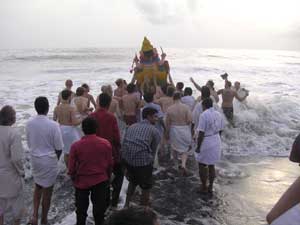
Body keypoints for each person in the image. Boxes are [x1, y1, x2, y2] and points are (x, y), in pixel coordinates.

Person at [26, 97, 64, 225]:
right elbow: (59, 147)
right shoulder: (53, 125)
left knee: (37, 187)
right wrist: (55, 160)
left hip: (35, 159)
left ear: (36, 108)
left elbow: (29, 141)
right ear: (48, 108)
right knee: (47, 191)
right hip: (48, 161)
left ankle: (34, 216)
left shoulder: (29, 123)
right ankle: (44, 220)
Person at [68, 117, 113, 225]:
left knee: (81, 212)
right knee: (99, 212)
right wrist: (107, 177)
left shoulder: (75, 146)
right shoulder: (105, 143)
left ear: (82, 129)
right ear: (96, 129)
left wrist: (74, 178)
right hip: (100, 180)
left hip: (82, 182)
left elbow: (71, 168)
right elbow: (109, 164)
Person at [121, 108, 161, 207]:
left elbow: (124, 142)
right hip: (142, 161)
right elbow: (153, 150)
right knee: (146, 186)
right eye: (155, 117)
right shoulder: (154, 131)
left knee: (133, 181)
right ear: (148, 117)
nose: (157, 119)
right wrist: (151, 164)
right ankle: (144, 207)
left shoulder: (132, 126)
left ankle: (126, 204)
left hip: (127, 159)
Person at [90, 93, 123, 209]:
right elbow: (116, 137)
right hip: (110, 151)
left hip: (95, 152)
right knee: (119, 175)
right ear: (109, 104)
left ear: (98, 102)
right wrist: (118, 149)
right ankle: (113, 202)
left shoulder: (92, 116)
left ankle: (102, 201)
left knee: (101, 178)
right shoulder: (111, 117)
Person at [0, 106, 25, 225]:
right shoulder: (14, 133)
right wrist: (22, 172)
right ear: (12, 119)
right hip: (10, 176)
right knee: (16, 212)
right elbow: (17, 158)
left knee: (1, 211)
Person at [195, 98, 224, 195]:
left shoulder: (204, 115)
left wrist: (198, 147)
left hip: (206, 140)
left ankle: (203, 186)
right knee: (212, 165)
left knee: (202, 164)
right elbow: (220, 130)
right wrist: (217, 141)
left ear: (204, 106)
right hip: (216, 139)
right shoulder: (218, 114)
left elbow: (201, 133)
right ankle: (210, 186)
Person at [165, 92, 192, 175]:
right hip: (184, 129)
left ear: (173, 98)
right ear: (180, 98)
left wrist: (167, 132)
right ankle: (183, 165)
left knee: (174, 148)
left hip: (174, 129)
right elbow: (189, 120)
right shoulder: (186, 107)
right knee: (185, 148)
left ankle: (176, 166)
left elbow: (167, 122)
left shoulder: (169, 109)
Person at [53, 89, 81, 167]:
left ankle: (68, 169)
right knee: (75, 150)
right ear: (69, 97)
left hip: (61, 129)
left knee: (66, 152)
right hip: (70, 131)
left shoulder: (57, 108)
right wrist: (81, 119)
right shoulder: (71, 108)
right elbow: (75, 123)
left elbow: (54, 120)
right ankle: (75, 167)